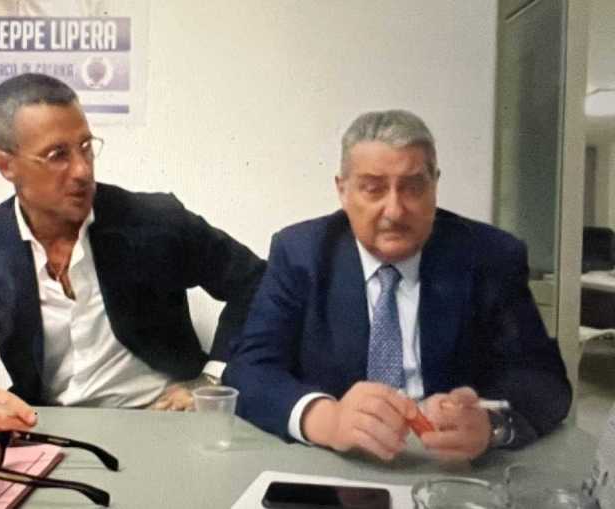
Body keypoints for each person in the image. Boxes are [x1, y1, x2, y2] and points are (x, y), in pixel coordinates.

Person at [0, 73, 265, 448]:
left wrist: (210, 380)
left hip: (167, 425)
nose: (82, 170)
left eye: (86, 147)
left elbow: (256, 282)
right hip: (49, 432)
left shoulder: (154, 221)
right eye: (57, 155)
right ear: (6, 165)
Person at [223, 110, 571, 462]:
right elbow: (250, 369)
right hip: (335, 461)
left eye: (414, 188)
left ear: (434, 185)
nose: (395, 210)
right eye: (373, 189)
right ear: (343, 191)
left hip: (451, 467)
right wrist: (327, 419)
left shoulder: (489, 256)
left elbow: (544, 380)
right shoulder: (301, 253)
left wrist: (492, 424)